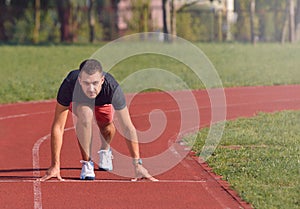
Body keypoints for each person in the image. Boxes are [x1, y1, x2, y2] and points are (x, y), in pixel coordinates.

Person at [40, 59, 157, 181]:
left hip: (103, 102)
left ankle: (105, 150)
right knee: (85, 116)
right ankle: (87, 163)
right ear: (79, 80)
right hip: (80, 102)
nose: (91, 89)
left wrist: (137, 164)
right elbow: (58, 127)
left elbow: (128, 127)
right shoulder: (69, 84)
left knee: (106, 128)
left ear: (102, 80)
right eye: (86, 83)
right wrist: (55, 165)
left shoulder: (112, 89)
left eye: (95, 83)